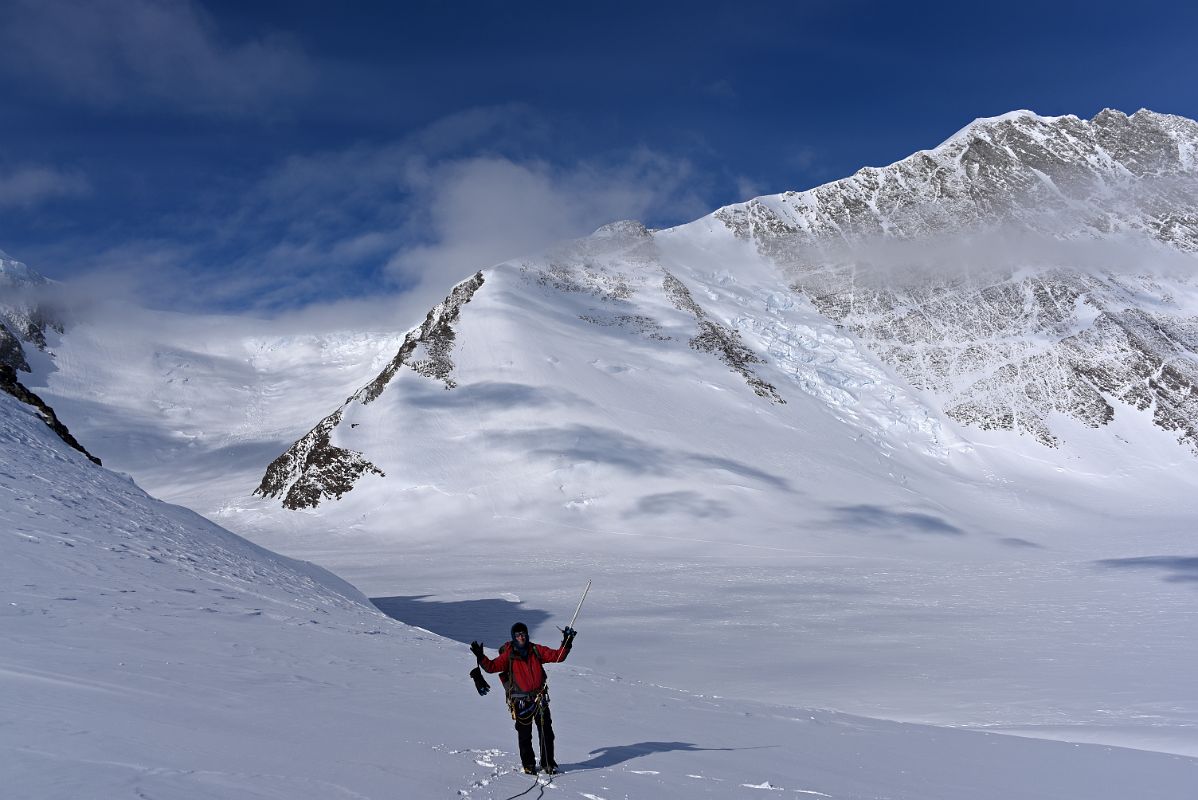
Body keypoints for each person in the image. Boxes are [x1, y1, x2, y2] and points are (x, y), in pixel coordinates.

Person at [470, 622, 576, 775]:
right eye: (518, 634)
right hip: (521, 703)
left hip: (540, 699)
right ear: (513, 637)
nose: (521, 637)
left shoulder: (535, 649)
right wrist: (481, 656)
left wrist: (567, 642)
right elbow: (492, 667)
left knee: (547, 733)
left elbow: (557, 656)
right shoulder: (509, 654)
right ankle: (528, 765)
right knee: (525, 735)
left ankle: (548, 764)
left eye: (523, 633)